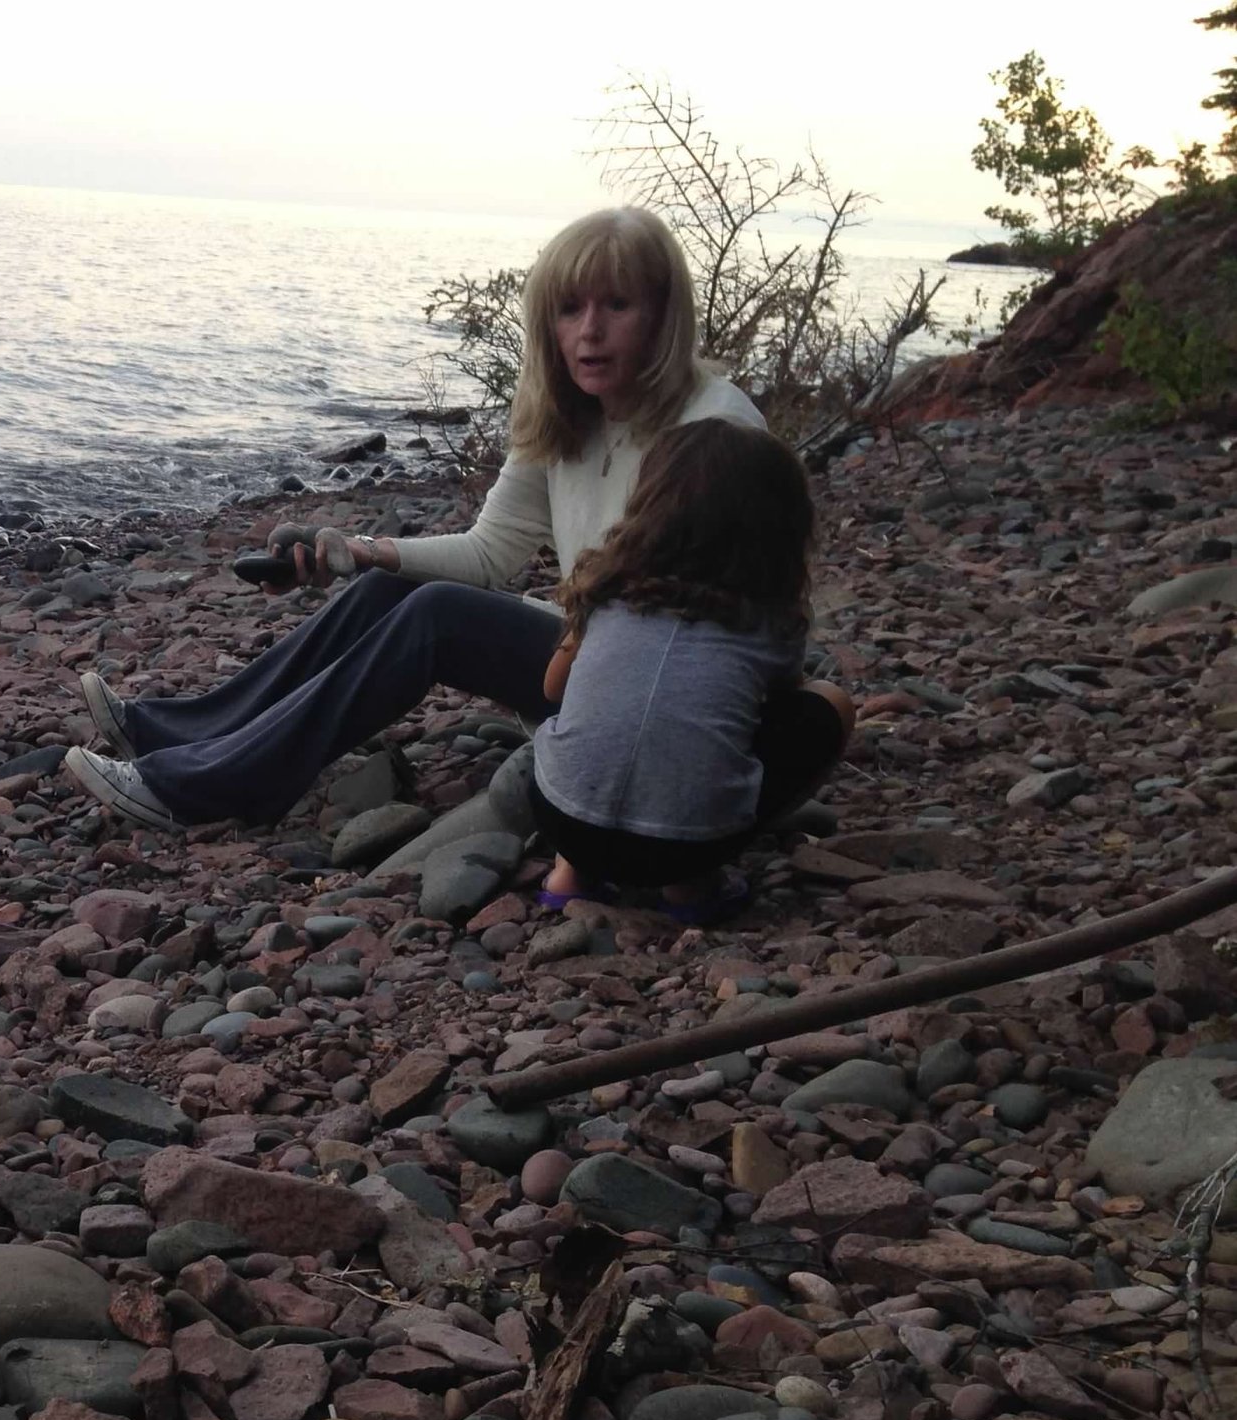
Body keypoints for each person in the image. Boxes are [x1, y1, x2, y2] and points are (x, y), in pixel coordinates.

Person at [62, 206, 838, 835]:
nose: (590, 331)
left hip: (651, 699)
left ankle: (203, 789)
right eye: (570, 310)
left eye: (618, 305)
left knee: (434, 615)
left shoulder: (717, 431)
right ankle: (174, 732)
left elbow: (728, 621)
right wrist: (358, 553)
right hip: (587, 653)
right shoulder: (571, 416)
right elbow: (492, 552)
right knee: (383, 596)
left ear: (663, 316)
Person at [530, 419, 854, 921]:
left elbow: (553, 687)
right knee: (830, 702)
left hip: (559, 817)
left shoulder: (606, 590)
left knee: (597, 732)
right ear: (782, 528)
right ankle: (690, 888)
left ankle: (567, 876)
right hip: (685, 847)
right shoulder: (767, 620)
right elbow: (781, 702)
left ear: (648, 506)